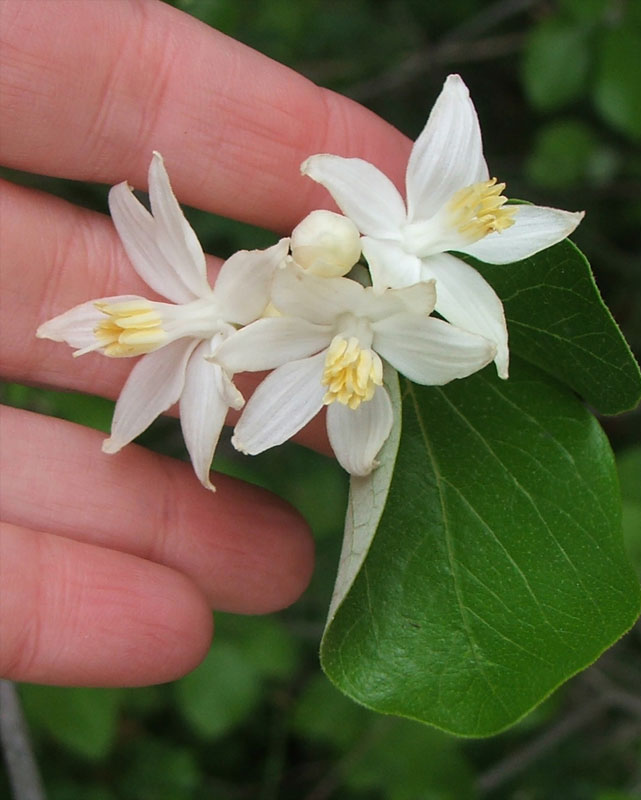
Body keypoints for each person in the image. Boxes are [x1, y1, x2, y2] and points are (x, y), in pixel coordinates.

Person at [0, 0, 410, 687]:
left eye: (132, 324)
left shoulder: (244, 311)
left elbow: (266, 271)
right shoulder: (220, 326)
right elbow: (230, 268)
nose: (133, 328)